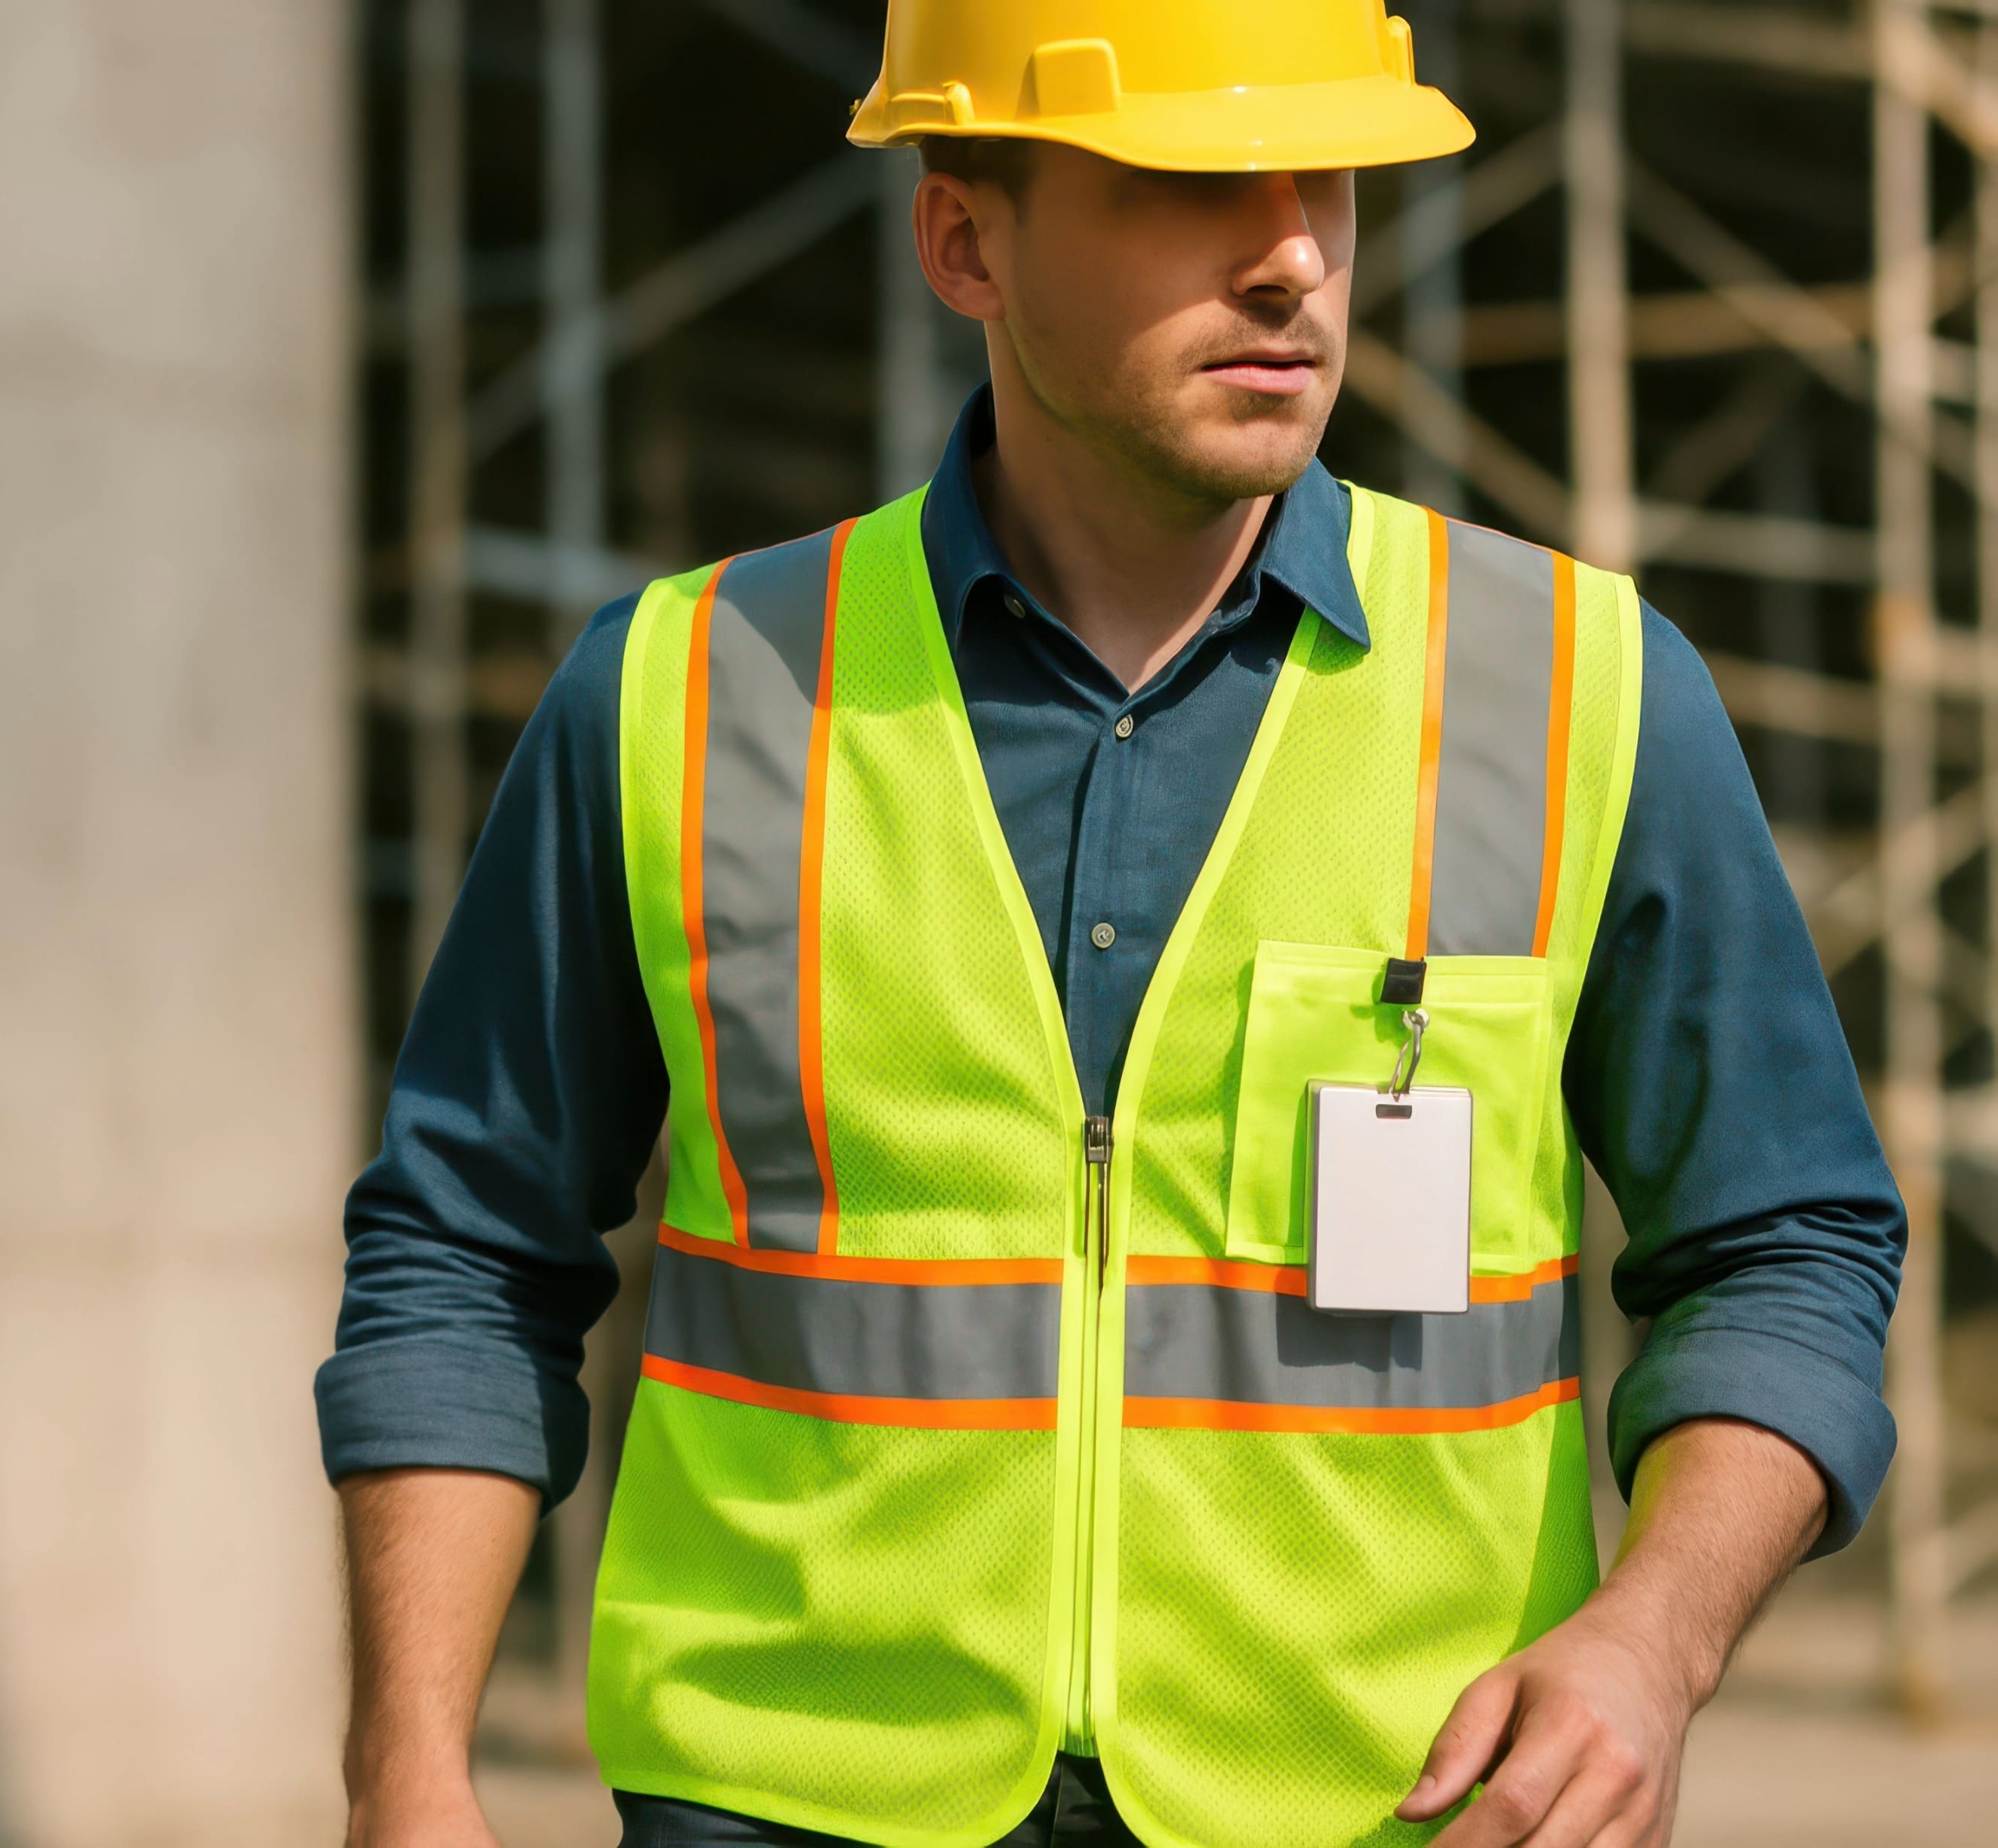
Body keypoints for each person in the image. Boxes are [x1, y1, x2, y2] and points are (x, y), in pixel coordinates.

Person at [319, 5, 1904, 1844]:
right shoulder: (683, 694)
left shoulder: (1583, 691)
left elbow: (1786, 1247)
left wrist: (1653, 1639)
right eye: (1190, 183)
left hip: (1397, 1810)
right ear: (965, 238)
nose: (1293, 251)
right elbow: (467, 1249)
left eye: (1328, 175)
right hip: (784, 1806)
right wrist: (408, 1768)